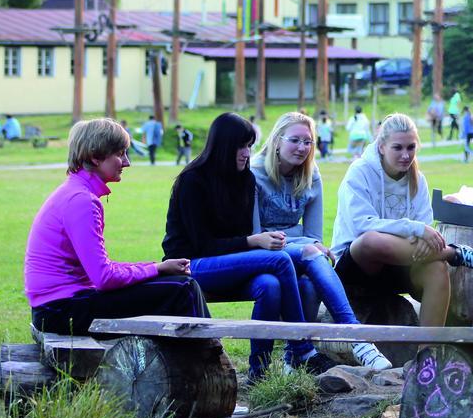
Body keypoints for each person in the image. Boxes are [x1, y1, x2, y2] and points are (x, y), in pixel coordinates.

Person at [162, 112, 336, 381]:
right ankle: (302, 347)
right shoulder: (192, 181)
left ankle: (259, 373)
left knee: (270, 285)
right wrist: (250, 242)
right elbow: (201, 244)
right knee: (279, 261)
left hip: (233, 264)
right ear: (223, 146)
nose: (247, 153)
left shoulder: (244, 179)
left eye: (249, 146)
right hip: (191, 265)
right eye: (241, 146)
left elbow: (243, 235)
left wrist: (249, 244)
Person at [24, 119, 208, 335]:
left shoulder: (76, 192)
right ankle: (207, 363)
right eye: (120, 154)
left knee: (177, 283)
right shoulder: (81, 201)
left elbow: (101, 270)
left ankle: (191, 359)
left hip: (60, 306)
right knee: (182, 289)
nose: (127, 162)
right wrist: (157, 268)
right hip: (60, 311)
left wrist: (158, 268)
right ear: (95, 156)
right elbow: (104, 278)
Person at [253, 112, 392, 369]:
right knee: (312, 253)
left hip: (297, 252)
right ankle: (357, 337)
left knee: (308, 284)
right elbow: (258, 235)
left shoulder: (310, 174)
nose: (302, 148)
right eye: (295, 140)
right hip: (262, 254)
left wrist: (304, 242)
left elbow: (315, 236)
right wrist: (302, 240)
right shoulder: (255, 173)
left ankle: (291, 362)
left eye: (308, 142)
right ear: (276, 141)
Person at [331, 112, 473, 327]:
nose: (405, 155)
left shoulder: (418, 180)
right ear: (382, 146)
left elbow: (424, 231)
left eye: (411, 147)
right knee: (370, 239)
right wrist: (414, 230)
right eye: (398, 147)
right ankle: (454, 253)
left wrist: (420, 235)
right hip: (358, 268)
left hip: (401, 264)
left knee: (437, 269)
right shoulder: (359, 171)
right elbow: (361, 225)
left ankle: (428, 354)